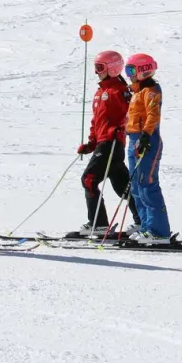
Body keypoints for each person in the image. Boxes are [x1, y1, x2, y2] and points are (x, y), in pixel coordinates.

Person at [77, 51, 133, 235]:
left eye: (100, 67)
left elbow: (130, 113)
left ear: (113, 68)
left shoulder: (119, 91)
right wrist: (91, 143)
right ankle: (144, 221)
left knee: (89, 180)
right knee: (123, 186)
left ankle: (99, 225)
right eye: (95, 67)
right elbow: (97, 121)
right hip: (105, 143)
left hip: (112, 143)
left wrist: (120, 128)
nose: (96, 72)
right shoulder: (101, 91)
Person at [124, 53, 172, 244]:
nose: (129, 75)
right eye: (127, 70)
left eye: (132, 70)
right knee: (136, 186)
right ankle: (146, 226)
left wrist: (145, 135)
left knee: (147, 184)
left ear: (144, 71)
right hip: (134, 139)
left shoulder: (151, 90)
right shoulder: (136, 91)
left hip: (147, 140)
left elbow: (153, 114)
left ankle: (159, 231)